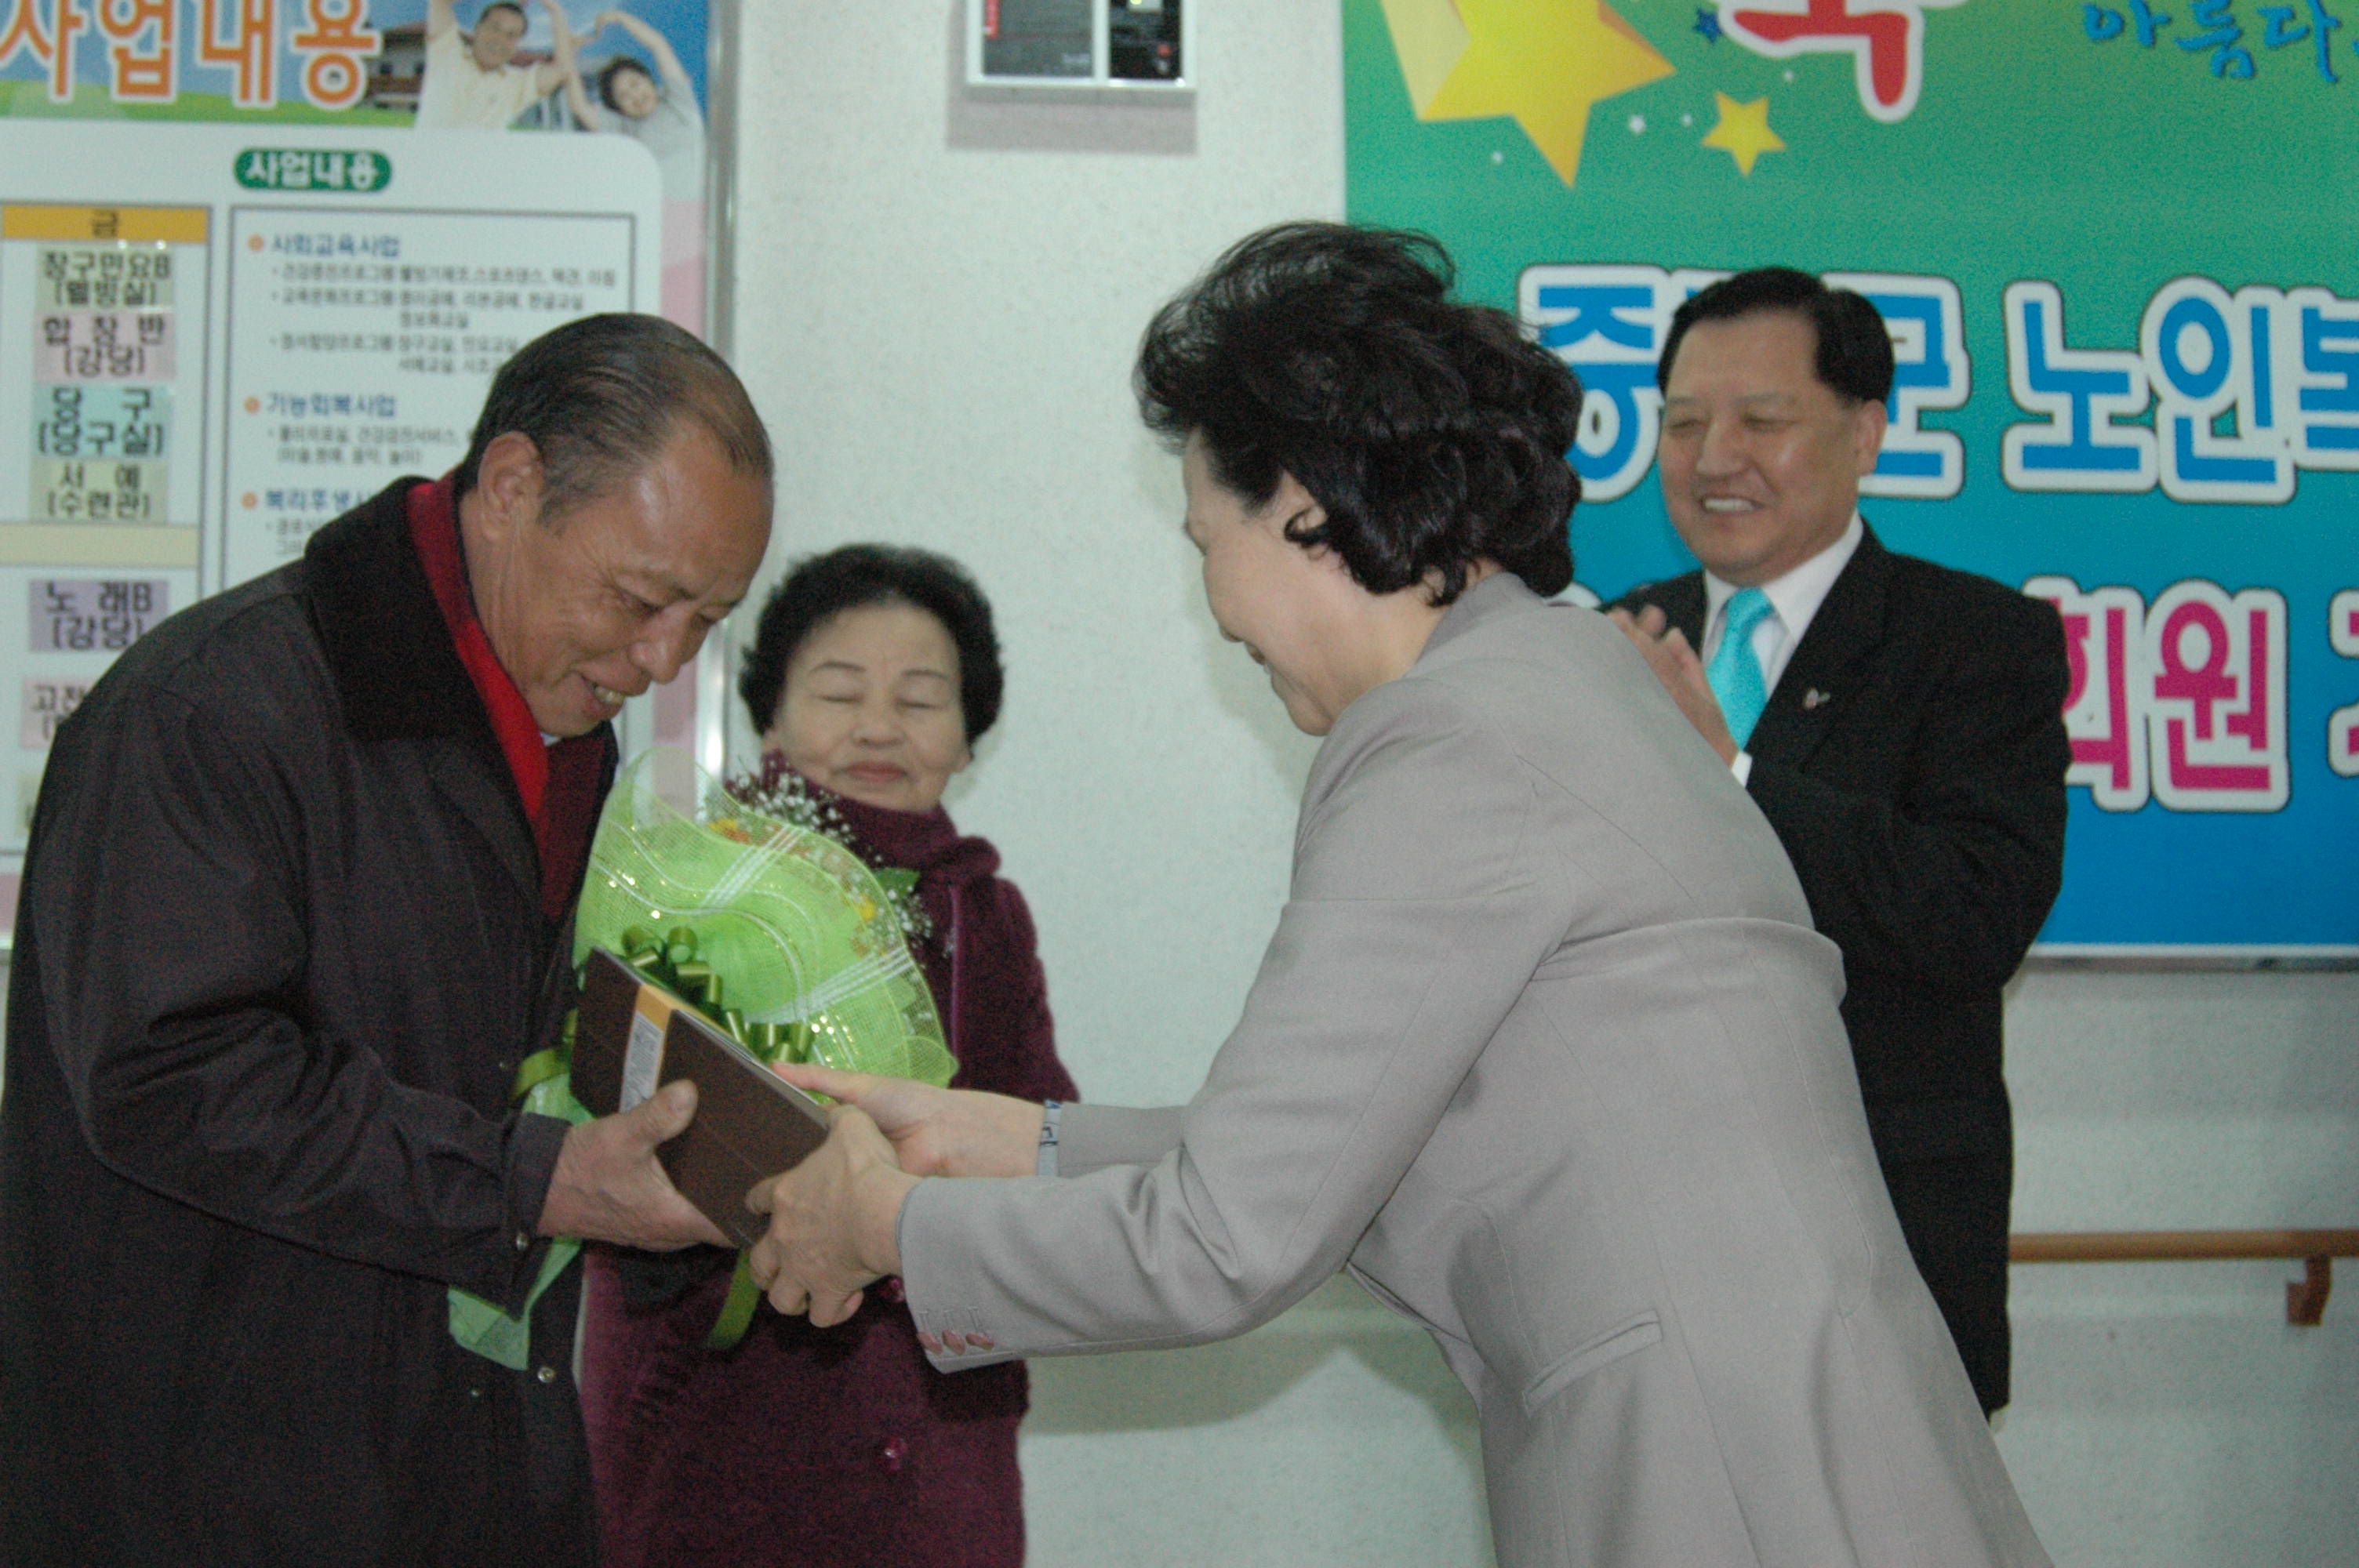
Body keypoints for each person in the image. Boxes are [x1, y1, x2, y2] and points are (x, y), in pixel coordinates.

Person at [743, 224, 2052, 1567]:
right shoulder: (1554, 678)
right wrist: (1012, 1144)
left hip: (1715, 1477)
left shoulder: (1448, 743)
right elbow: (1354, 1141)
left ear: (1304, 505)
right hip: (1794, 1454)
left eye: (1206, 543)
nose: (1219, 612)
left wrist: (887, 1228)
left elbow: (1224, 1237)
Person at [0, 314, 772, 1567]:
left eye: (706, 618)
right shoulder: (209, 712)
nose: (662, 659)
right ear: (512, 487)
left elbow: (489, 1068)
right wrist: (539, 1184)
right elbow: (168, 1079)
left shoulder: (559, 729)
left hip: (452, 1470)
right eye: (640, 600)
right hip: (208, 1489)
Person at [1605, 268, 2070, 1417]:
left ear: (1864, 432)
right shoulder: (1618, 637)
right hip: (1634, 1253)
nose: (1715, 457)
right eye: (1683, 422)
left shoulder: (1974, 640)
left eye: (1761, 421)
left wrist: (1731, 775)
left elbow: (1975, 912)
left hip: (1877, 1245)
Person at [581, 545, 1077, 1568]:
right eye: (840, 692)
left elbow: (1039, 1125)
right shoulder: (698, 882)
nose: (879, 726)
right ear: (770, 714)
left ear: (970, 731)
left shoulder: (982, 912)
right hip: (722, 1377)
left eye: (921, 698)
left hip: (933, 1390)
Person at [565, 8, 708, 204]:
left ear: (649, 80)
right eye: (624, 96)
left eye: (635, 84)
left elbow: (659, 45)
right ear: (619, 109)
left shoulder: (679, 102)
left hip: (701, 206)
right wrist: (569, 57)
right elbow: (579, 107)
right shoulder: (625, 129)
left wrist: (620, 18)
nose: (635, 96)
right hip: (657, 213)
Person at [417, 0, 576, 130]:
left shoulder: (517, 84)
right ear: (477, 29)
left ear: (517, 44)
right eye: (494, 28)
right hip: (427, 163)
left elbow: (561, 70)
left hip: (479, 167)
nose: (499, 39)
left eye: (511, 35)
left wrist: (554, 9)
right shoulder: (448, 54)